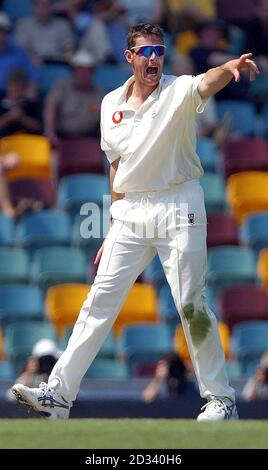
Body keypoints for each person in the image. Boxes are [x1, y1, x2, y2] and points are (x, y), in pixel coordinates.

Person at [12, 23, 259, 421]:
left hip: (180, 203)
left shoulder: (177, 90)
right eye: (145, 52)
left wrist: (227, 67)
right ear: (129, 58)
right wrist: (112, 226)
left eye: (159, 51)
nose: (154, 59)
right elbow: (116, 166)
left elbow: (205, 83)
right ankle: (58, 397)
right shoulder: (111, 103)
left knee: (191, 305)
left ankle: (221, 400)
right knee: (98, 302)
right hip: (130, 212)